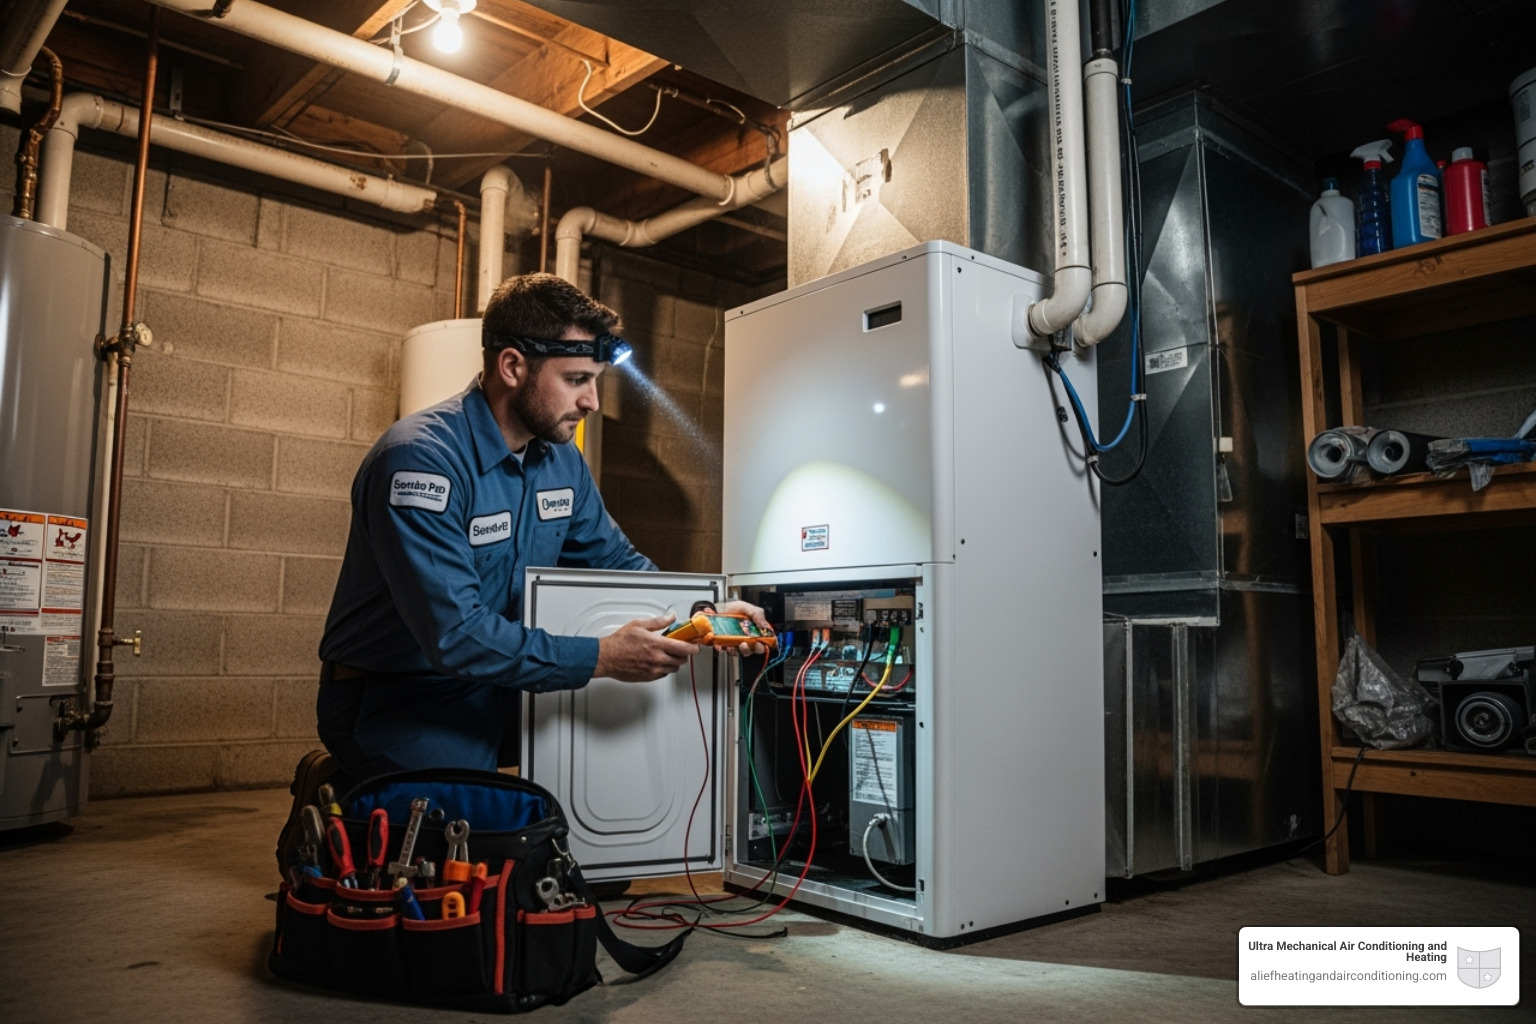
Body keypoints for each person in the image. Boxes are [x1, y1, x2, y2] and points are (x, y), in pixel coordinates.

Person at [278, 273, 765, 866]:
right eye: (577, 381)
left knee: (608, 776)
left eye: (595, 382)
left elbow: (617, 563)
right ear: (512, 366)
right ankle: (349, 788)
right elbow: (455, 635)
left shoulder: (560, 460)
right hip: (400, 695)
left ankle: (399, 789)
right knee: (472, 851)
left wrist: (703, 615)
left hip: (498, 684)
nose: (591, 402)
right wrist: (602, 657)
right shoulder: (421, 462)